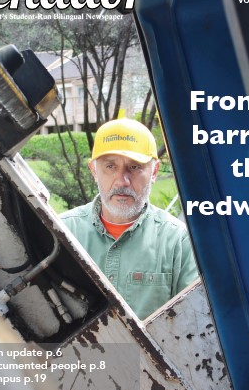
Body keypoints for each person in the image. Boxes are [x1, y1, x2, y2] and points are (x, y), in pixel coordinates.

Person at [61, 118, 199, 320]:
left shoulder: (179, 242)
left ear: (154, 171)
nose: (122, 180)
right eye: (110, 166)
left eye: (134, 167)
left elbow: (194, 323)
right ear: (93, 170)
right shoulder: (62, 232)